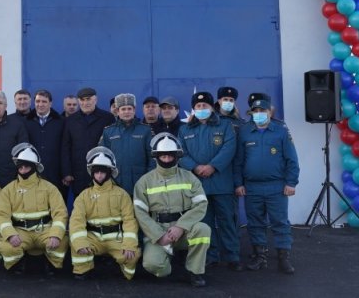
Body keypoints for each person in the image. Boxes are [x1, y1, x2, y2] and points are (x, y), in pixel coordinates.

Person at [133, 133, 210, 287]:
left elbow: (201, 204)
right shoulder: (144, 182)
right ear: (156, 157)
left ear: (177, 156)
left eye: (170, 156)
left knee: (202, 229)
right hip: (158, 230)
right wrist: (159, 236)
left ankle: (195, 271)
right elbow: (140, 214)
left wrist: (181, 226)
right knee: (153, 266)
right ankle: (167, 259)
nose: (167, 159)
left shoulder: (189, 177)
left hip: (183, 229)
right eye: (163, 156)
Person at [234, 93, 299, 274]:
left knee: (280, 222)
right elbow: (238, 161)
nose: (259, 113)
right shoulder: (245, 131)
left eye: (262, 110)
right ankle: (260, 256)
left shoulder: (281, 131)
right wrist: (238, 183)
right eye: (255, 111)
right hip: (251, 186)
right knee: (255, 222)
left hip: (276, 186)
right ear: (251, 113)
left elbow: (292, 159)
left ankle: (283, 257)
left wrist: (291, 182)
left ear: (270, 112)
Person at [179, 91, 241, 271]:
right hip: (198, 185)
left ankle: (232, 256)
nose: (201, 109)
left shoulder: (225, 125)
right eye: (198, 106)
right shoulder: (185, 129)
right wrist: (196, 167)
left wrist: (213, 166)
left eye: (204, 105)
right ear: (194, 108)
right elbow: (181, 152)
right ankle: (210, 255)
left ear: (211, 107)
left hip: (222, 183)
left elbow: (229, 148)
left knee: (227, 221)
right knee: (205, 223)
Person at [0, 143, 68, 276]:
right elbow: (0, 215)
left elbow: (60, 213)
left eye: (27, 166)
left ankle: (52, 264)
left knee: (61, 242)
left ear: (35, 167)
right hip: (19, 232)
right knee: (6, 247)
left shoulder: (49, 188)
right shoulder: (8, 190)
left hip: (45, 230)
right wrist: (10, 234)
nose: (23, 170)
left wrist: (56, 234)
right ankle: (16, 264)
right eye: (20, 167)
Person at [70, 146, 139, 281]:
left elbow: (129, 221)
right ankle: (82, 270)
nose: (99, 175)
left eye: (103, 172)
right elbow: (76, 221)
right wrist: (80, 242)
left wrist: (129, 244)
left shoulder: (121, 194)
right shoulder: (84, 196)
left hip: (116, 238)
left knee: (132, 255)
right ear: (92, 173)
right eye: (96, 172)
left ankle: (126, 272)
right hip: (93, 238)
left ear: (110, 173)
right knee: (77, 245)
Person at [61, 87, 115, 197]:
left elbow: (113, 145)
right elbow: (65, 147)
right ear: (79, 101)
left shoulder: (107, 118)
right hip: (78, 172)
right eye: (82, 100)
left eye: (88, 99)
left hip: (102, 170)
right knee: (81, 206)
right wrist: (67, 172)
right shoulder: (70, 120)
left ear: (95, 100)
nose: (85, 103)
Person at [98, 93, 154, 196]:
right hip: (116, 182)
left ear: (134, 110)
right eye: (123, 109)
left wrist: (149, 178)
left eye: (129, 108)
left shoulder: (145, 130)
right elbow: (102, 158)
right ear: (118, 111)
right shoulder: (108, 131)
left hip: (140, 182)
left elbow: (152, 157)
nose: (126, 112)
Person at [25, 89, 66, 198]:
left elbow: (65, 148)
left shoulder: (61, 122)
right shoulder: (26, 122)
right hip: (33, 171)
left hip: (55, 172)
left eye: (44, 101)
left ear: (50, 103)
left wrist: (65, 172)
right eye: (38, 101)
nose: (40, 104)